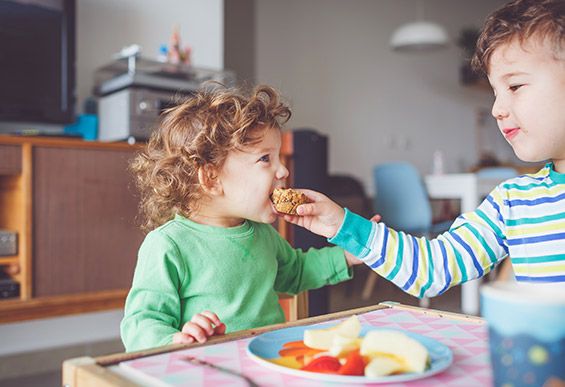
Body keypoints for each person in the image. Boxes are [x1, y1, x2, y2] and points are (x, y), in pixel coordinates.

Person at [283, 0, 565, 300]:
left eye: (516, 86)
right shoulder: (512, 202)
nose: (496, 109)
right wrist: (342, 223)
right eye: (495, 92)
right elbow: (431, 268)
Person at [120, 84, 360, 352]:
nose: (283, 171)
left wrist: (348, 254)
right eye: (265, 159)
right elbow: (142, 322)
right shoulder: (168, 245)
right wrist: (174, 340)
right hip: (209, 368)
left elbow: (297, 272)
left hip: (270, 358)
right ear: (211, 178)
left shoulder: (262, 233)